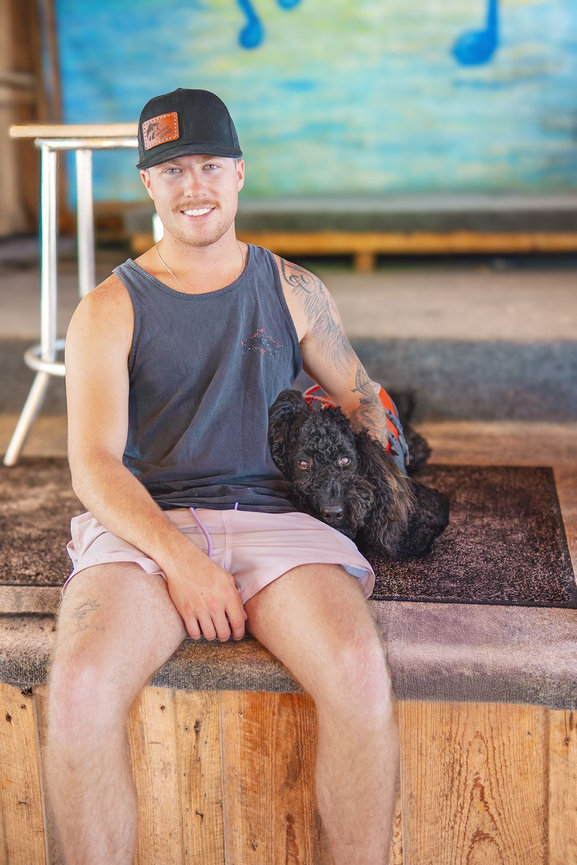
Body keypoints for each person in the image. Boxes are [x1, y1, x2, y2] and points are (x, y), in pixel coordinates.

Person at [45, 87, 399, 865]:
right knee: (77, 689)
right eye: (172, 170)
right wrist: (184, 562)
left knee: (357, 669)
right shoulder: (107, 308)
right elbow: (93, 464)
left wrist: (384, 451)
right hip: (148, 525)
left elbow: (360, 394)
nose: (193, 185)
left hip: (277, 520)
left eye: (209, 165)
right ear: (148, 183)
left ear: (238, 173)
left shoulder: (294, 289)